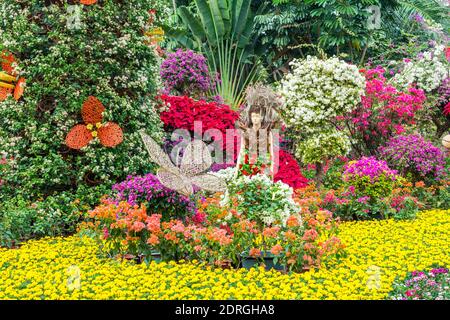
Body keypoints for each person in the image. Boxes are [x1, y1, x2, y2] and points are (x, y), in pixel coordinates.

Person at [235, 84, 281, 178]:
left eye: (257, 116)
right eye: (253, 116)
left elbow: (272, 153)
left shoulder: (268, 133)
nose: (255, 119)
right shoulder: (246, 132)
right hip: (248, 167)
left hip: (263, 166)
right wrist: (236, 172)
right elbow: (241, 151)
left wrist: (271, 172)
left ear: (261, 117)